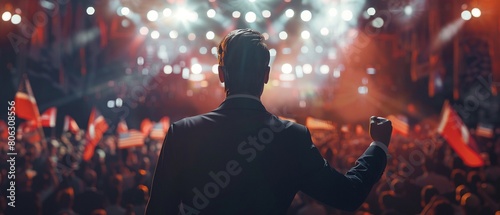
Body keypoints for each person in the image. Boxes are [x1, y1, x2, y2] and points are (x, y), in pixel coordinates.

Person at [145, 28, 392, 214]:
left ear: (221, 74)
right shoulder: (292, 136)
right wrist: (378, 146)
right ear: (266, 75)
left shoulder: (183, 132)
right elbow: (347, 195)